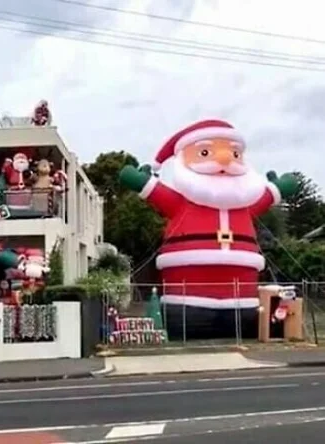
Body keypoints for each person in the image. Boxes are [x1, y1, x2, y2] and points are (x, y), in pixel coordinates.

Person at [119, 119, 298, 338]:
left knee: (243, 323)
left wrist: (278, 188)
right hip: (186, 301)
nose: (224, 160)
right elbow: (154, 191)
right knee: (188, 323)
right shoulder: (181, 203)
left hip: (241, 301)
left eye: (234, 154)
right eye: (205, 153)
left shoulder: (244, 202)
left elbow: (265, 196)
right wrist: (142, 182)